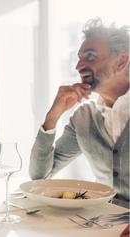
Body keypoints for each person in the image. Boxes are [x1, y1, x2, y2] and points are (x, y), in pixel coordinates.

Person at [30, 17, 129, 207]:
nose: (78, 66)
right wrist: (53, 116)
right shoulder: (84, 118)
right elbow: (39, 177)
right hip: (100, 225)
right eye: (79, 58)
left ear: (121, 61)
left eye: (90, 56)